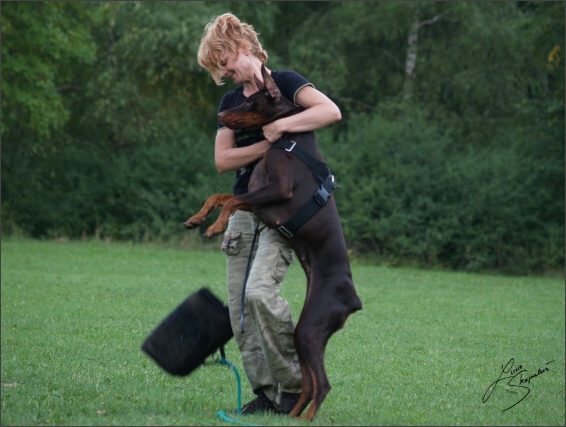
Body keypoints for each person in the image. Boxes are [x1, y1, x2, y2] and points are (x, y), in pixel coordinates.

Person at [197, 12, 341, 415]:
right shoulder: (230, 102)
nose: (224, 74)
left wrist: (283, 127)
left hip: (282, 210)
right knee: (239, 311)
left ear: (240, 47)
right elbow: (223, 160)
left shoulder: (290, 84)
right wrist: (270, 143)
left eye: (224, 63)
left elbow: (330, 112)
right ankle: (268, 393)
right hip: (244, 207)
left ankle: (296, 386)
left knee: (260, 294)